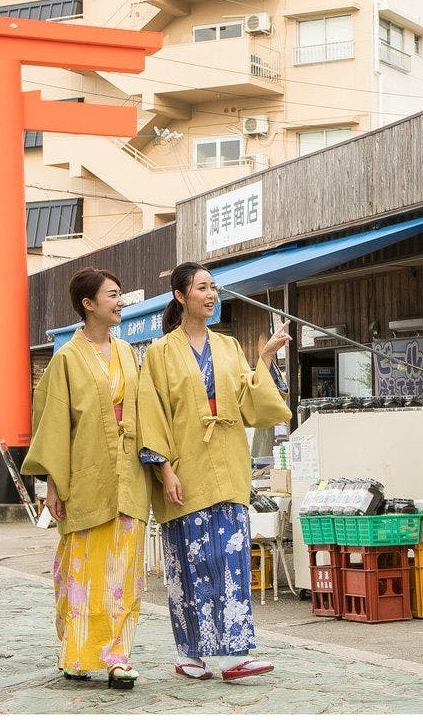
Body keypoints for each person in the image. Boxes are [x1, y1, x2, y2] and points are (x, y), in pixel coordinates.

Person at [137, 262, 292, 682]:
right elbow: (152, 414)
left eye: (214, 288)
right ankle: (191, 652)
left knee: (232, 558)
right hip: (186, 466)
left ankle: (235, 652)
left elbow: (249, 402)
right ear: (181, 297)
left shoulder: (228, 346)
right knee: (191, 561)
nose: (211, 295)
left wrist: (263, 358)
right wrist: (165, 471)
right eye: (202, 288)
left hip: (228, 462)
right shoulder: (159, 352)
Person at [21, 268, 150, 689]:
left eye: (119, 294)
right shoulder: (65, 359)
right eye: (112, 295)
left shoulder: (128, 352)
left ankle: (118, 656)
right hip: (85, 475)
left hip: (128, 473)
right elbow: (53, 425)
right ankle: (76, 652)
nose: (120, 302)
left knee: (124, 570)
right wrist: (53, 486)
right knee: (82, 569)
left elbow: (144, 411)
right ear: (88, 305)